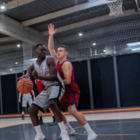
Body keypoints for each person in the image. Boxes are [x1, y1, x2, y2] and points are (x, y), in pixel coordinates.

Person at [48, 24, 97, 140]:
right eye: (58, 51)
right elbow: (50, 49)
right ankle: (69, 129)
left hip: (71, 90)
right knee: (57, 111)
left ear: (66, 53)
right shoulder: (57, 61)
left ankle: (91, 132)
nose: (58, 52)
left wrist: (54, 83)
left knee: (72, 111)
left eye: (61, 51)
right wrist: (51, 36)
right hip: (62, 91)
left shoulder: (66, 64)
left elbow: (68, 81)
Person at [20, 44, 70, 140]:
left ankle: (64, 133)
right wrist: (24, 78)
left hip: (57, 85)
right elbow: (27, 74)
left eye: (45, 50)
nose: (44, 52)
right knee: (31, 109)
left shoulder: (50, 59)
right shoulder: (32, 65)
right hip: (47, 88)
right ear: (36, 52)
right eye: (42, 50)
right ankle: (39, 135)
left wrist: (39, 77)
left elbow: (53, 77)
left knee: (52, 104)